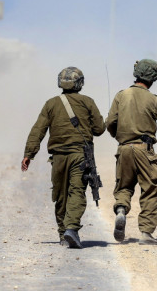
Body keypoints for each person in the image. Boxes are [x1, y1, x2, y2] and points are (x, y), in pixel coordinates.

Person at [21, 67, 105, 249]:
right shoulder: (88, 102)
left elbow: (38, 130)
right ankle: (71, 229)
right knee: (76, 192)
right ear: (80, 83)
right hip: (80, 156)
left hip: (58, 158)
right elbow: (99, 129)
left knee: (60, 195)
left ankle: (62, 233)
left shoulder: (51, 104)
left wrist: (29, 154)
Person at [106, 59, 157, 245]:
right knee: (150, 188)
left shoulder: (120, 95)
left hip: (123, 148)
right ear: (153, 78)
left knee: (123, 186)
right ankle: (146, 233)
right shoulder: (154, 100)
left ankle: (121, 210)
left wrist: (120, 137)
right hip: (144, 149)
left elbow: (110, 123)